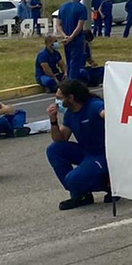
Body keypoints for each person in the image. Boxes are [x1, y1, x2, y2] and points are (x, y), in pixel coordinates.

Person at [48, 80, 111, 210]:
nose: (57, 102)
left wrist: (105, 114)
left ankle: (111, 185)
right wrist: (53, 121)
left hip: (103, 155)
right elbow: (60, 138)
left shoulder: (93, 105)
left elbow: (106, 113)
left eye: (60, 98)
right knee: (54, 149)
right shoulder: (70, 114)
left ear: (71, 98)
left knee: (72, 179)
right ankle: (81, 195)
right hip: (87, 152)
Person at [59, 0, 90, 81]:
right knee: (75, 64)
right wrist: (71, 37)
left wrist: (64, 36)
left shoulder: (63, 7)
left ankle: (68, 81)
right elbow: (79, 26)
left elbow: (58, 25)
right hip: (76, 39)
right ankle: (71, 84)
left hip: (66, 38)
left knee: (69, 62)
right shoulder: (81, 8)